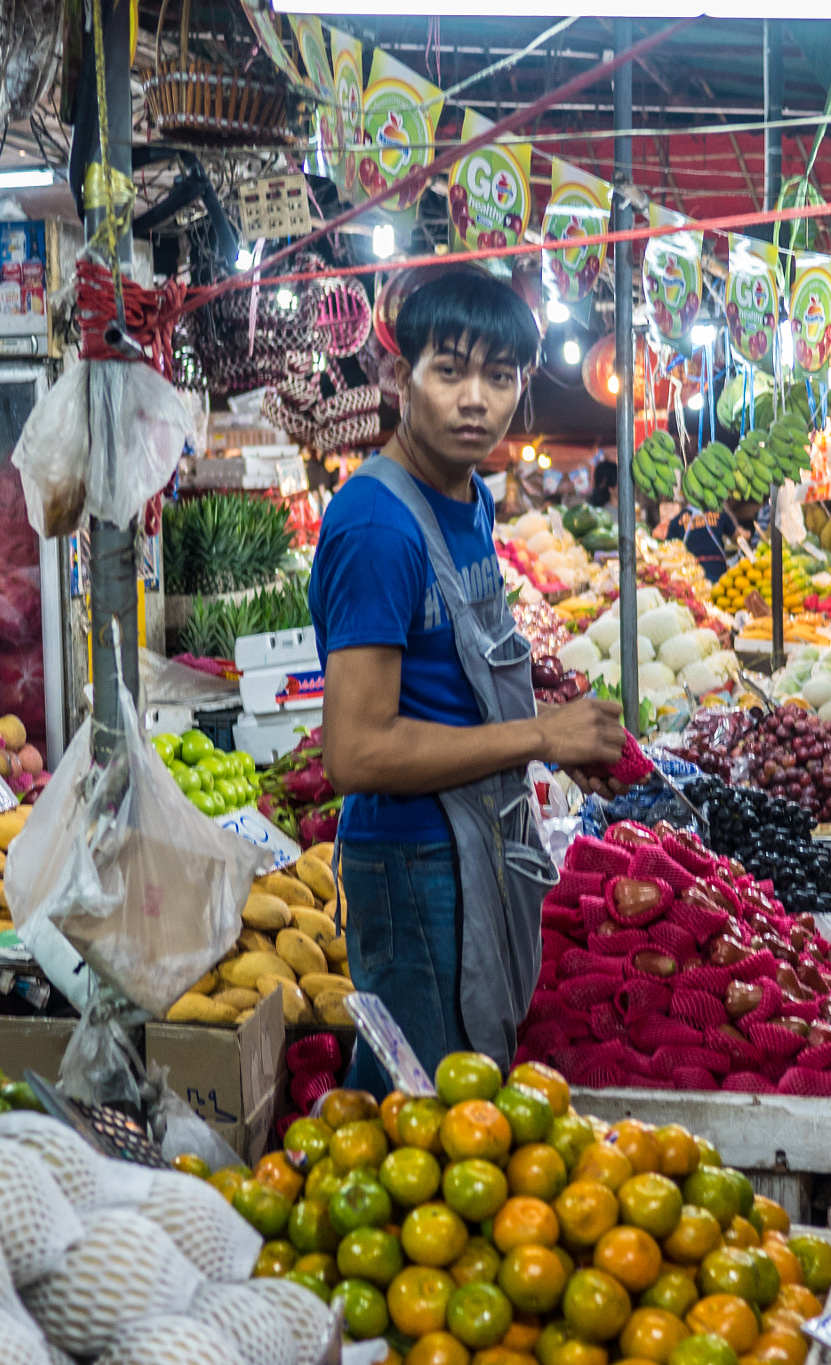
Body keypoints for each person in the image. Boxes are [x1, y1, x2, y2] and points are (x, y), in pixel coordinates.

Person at [307, 270, 625, 1088]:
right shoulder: (379, 525)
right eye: (449, 371)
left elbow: (455, 675)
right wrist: (537, 737)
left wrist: (553, 728)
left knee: (465, 1099)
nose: (475, 398)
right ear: (396, 378)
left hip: (475, 841)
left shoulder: (469, 494)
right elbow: (355, 751)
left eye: (500, 375)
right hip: (413, 864)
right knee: (415, 1118)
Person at [662, 501, 740, 582]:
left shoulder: (677, 520)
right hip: (717, 569)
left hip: (691, 573)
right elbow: (736, 538)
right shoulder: (719, 513)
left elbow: (668, 550)